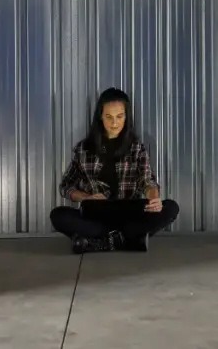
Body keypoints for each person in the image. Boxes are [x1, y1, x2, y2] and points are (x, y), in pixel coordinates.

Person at [50, 87, 180, 253]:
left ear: (126, 117)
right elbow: (66, 186)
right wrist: (87, 197)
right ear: (100, 117)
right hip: (97, 216)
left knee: (170, 207)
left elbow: (146, 180)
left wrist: (154, 199)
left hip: (129, 215)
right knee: (58, 215)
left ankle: (100, 243)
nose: (114, 123)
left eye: (120, 116)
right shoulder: (84, 149)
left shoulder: (136, 148)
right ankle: (126, 240)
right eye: (109, 117)